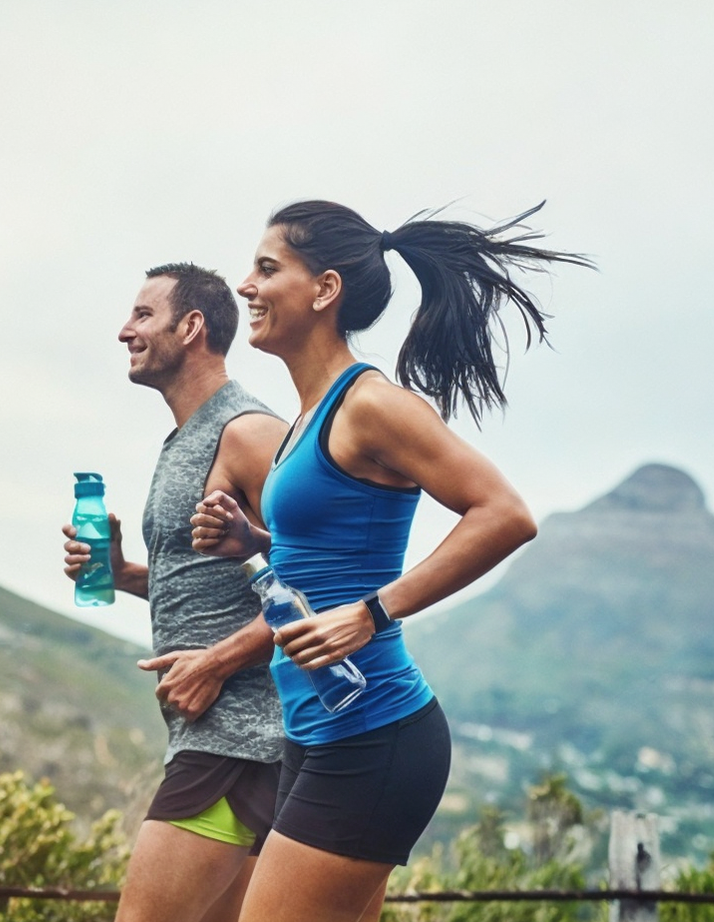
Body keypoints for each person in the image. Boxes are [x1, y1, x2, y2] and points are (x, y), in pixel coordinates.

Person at [190, 200, 592, 922]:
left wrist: (374, 613)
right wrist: (254, 549)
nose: (244, 285)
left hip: (372, 733)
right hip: (315, 729)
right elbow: (324, 562)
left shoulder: (371, 404)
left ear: (325, 289)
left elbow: (504, 514)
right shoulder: (305, 424)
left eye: (266, 268)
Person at [62, 262, 289, 922]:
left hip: (240, 738)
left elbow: (322, 583)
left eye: (142, 316)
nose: (123, 331)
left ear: (191, 327)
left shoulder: (247, 432)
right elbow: (219, 576)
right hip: (222, 738)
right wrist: (124, 571)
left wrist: (219, 662)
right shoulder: (186, 438)